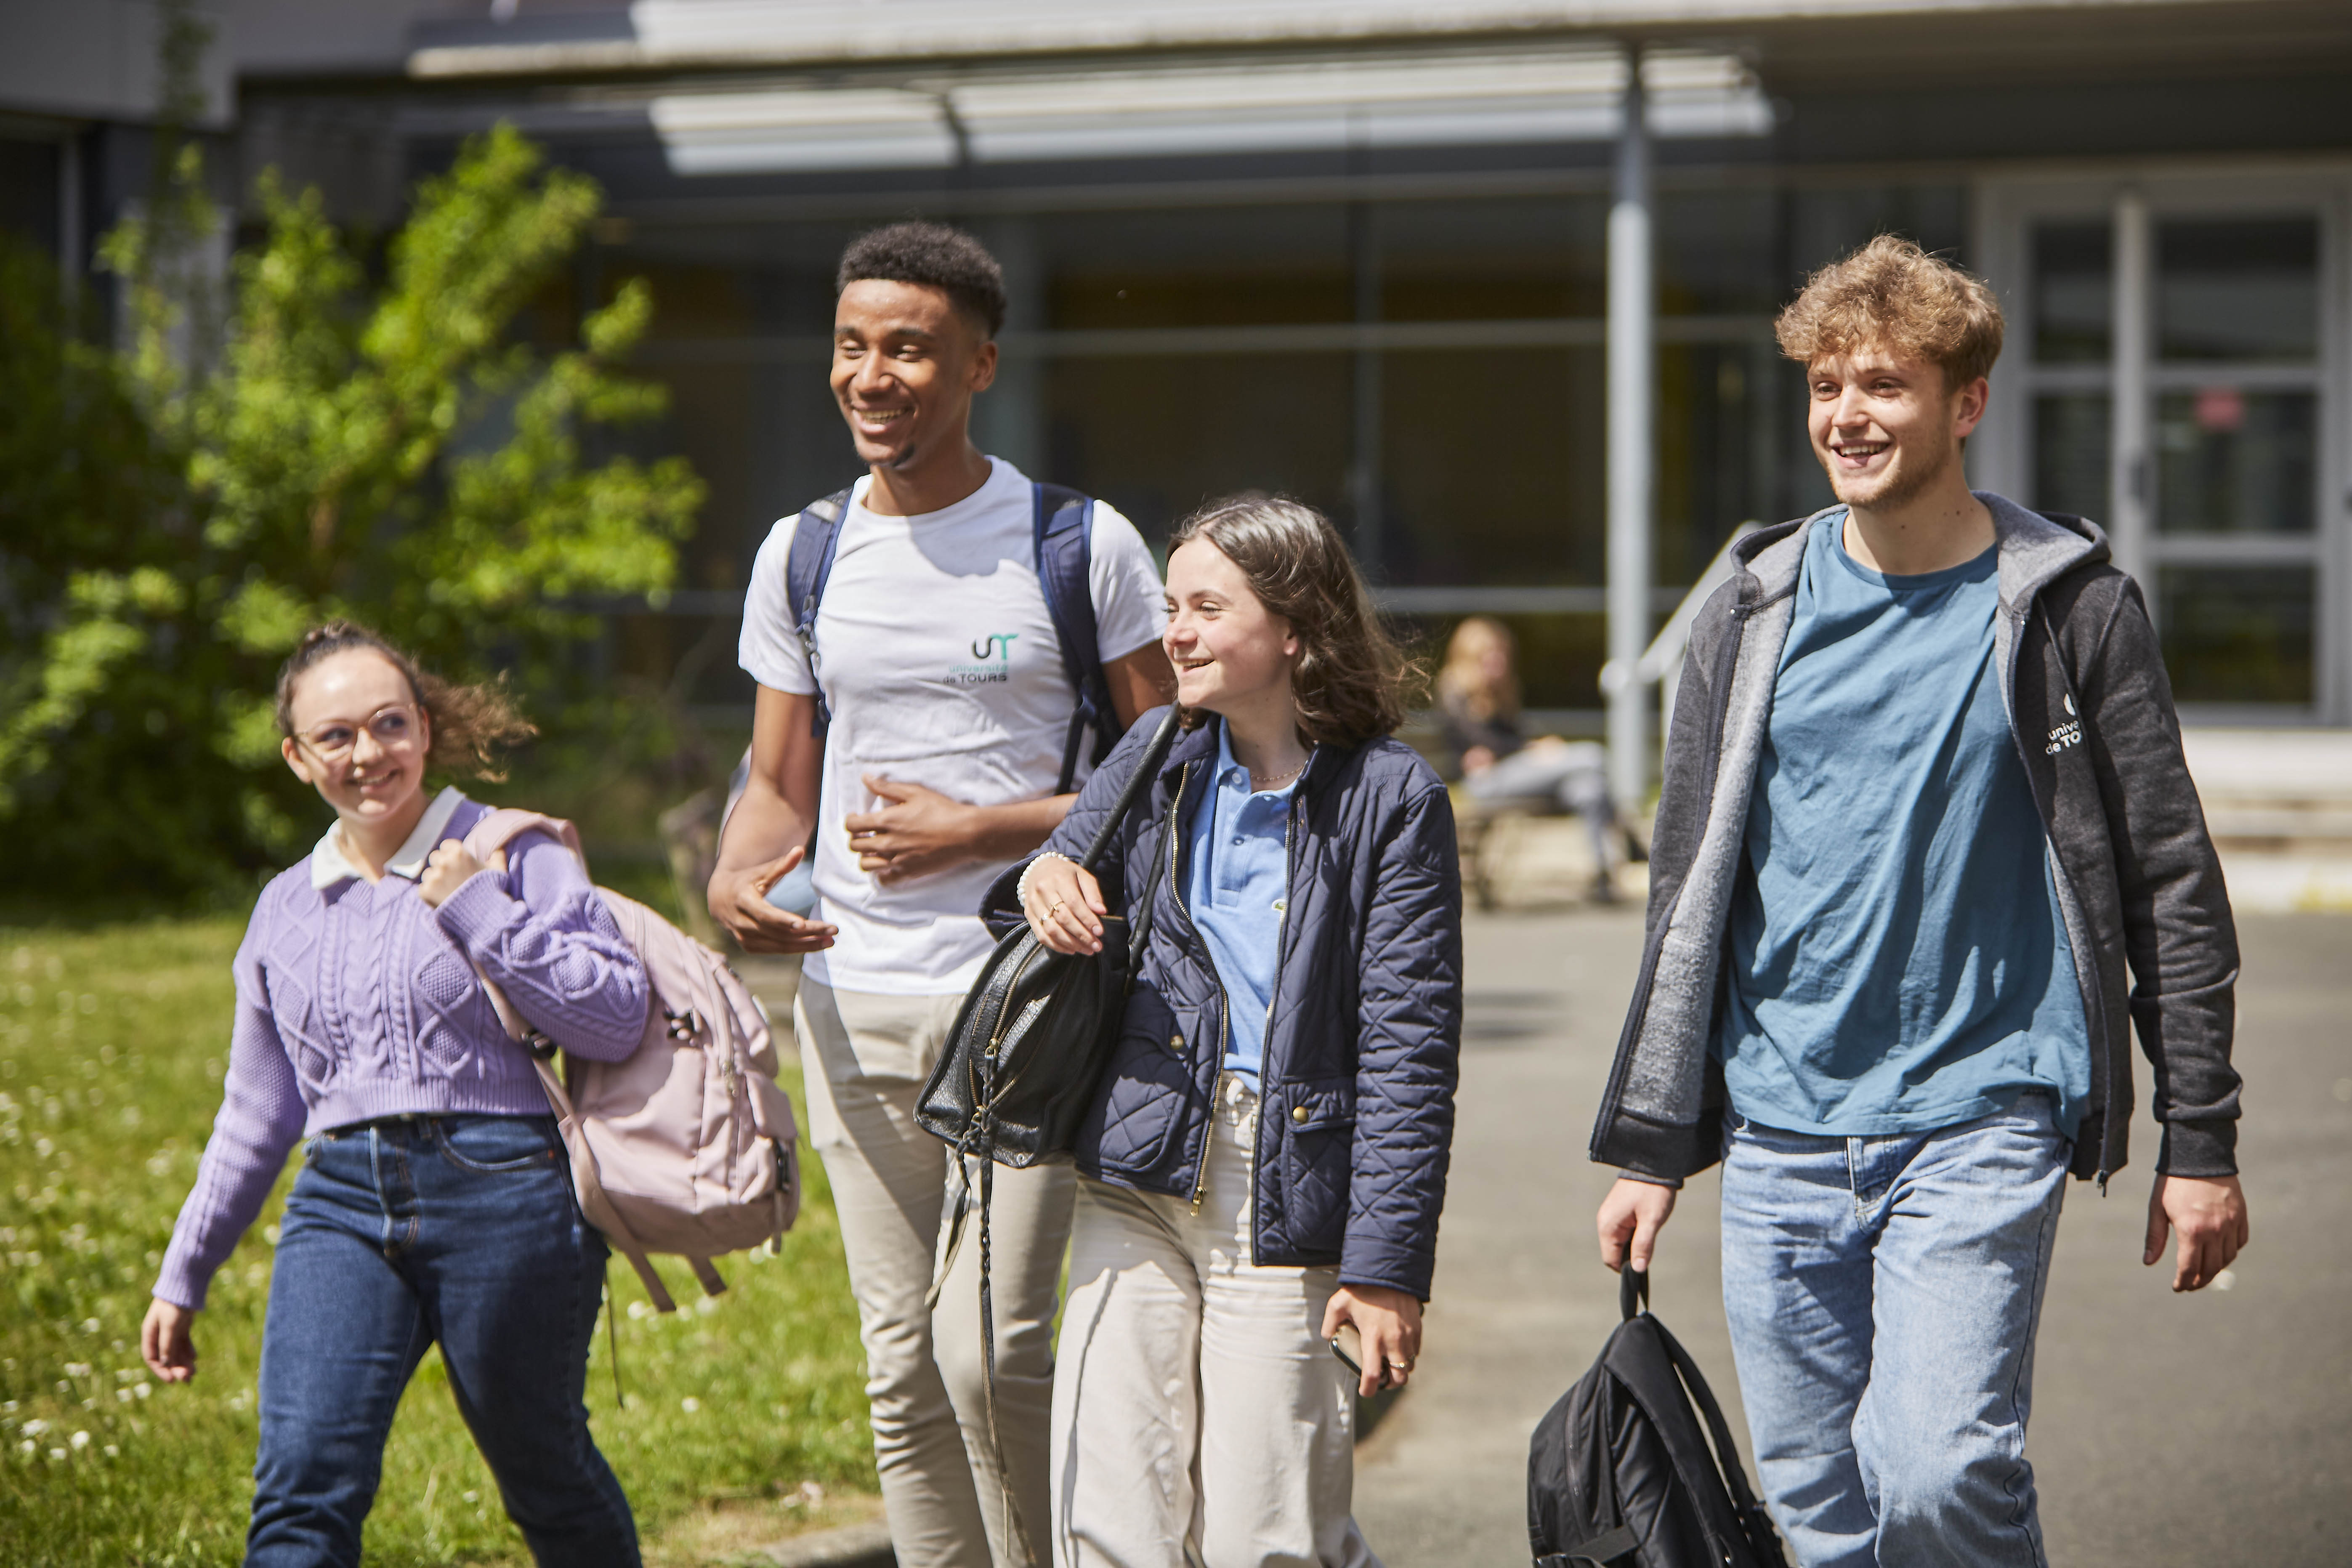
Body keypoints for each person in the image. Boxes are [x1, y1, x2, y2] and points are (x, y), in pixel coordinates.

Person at [1589, 236, 2249, 1567]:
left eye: (1885, 385)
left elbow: (2167, 872)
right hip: (1781, 1121)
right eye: (1828, 385)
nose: (1848, 415)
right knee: (1823, 1513)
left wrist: (2204, 1136)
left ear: (1966, 404)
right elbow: (1689, 884)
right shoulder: (1752, 609)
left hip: (1983, 1109)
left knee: (1943, 1473)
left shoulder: (2070, 611)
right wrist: (1655, 1140)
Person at [707, 221, 1172, 1568]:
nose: (872, 375)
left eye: (906, 348)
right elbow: (778, 782)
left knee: (991, 1356)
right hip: (851, 1001)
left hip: (1024, 998)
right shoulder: (802, 553)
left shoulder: (1079, 544)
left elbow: (1161, 770)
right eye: (853, 347)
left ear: (978, 363)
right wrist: (741, 874)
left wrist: (988, 828)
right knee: (902, 1369)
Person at [1003, 495, 1462, 1568]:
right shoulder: (1160, 750)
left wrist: (1387, 1264)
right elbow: (1054, 869)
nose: (1177, 632)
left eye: (1207, 607)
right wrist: (1046, 874)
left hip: (1283, 1178)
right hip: (1138, 1156)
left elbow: (1410, 1047)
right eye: (1173, 606)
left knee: (1269, 1530)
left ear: (1294, 628)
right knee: (1110, 1515)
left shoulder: (1391, 799)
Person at [142, 622, 647, 1568]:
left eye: (387, 725)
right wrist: (185, 1270)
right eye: (335, 737)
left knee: (543, 1470)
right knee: (299, 1492)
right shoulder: (285, 907)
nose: (367, 753)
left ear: (423, 726)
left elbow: (616, 1016)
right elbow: (256, 1114)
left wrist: (477, 909)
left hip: (509, 1191)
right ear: (296, 758)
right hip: (339, 1203)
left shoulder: (512, 852)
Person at [1434, 614, 1624, 901]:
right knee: (1592, 757)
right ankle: (1630, 844)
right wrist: (1530, 750)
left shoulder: (1503, 691)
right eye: (1489, 655)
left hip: (1515, 774)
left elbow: (1513, 737)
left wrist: (1529, 747)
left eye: (1501, 654)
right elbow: (1482, 742)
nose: (1498, 662)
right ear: (1469, 657)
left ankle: (1602, 873)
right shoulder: (1453, 691)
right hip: (1485, 782)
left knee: (1588, 787)